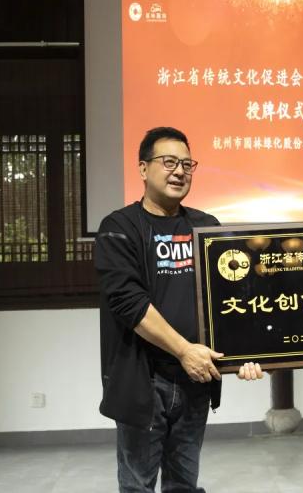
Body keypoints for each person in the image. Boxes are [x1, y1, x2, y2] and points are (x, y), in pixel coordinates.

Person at [95, 127, 262, 493]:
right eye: (169, 162)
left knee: (184, 484)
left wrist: (247, 353)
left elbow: (232, 297)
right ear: (143, 169)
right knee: (137, 485)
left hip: (194, 381)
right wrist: (184, 350)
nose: (179, 171)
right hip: (143, 380)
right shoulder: (119, 227)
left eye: (187, 164)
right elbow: (129, 302)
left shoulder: (206, 227)